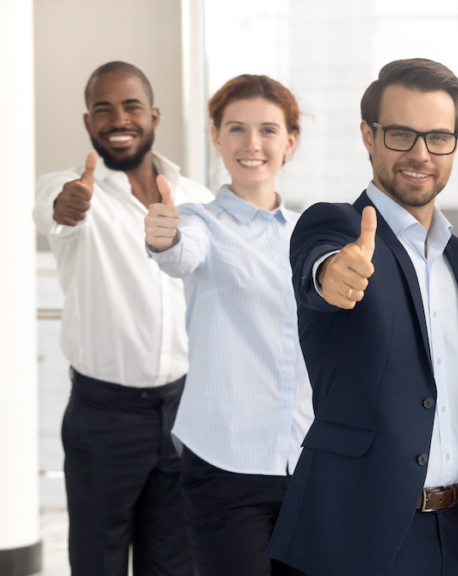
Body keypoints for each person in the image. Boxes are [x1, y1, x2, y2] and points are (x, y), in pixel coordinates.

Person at [267, 58, 458, 576]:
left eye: (438, 137)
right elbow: (318, 266)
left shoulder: (455, 254)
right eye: (400, 134)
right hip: (358, 535)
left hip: (457, 531)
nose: (420, 154)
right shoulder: (337, 225)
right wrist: (333, 275)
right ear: (368, 136)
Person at [32, 61, 212, 576]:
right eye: (103, 109)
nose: (118, 118)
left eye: (131, 105)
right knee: (98, 563)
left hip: (184, 413)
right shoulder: (72, 192)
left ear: (153, 115)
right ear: (88, 122)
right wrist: (65, 207)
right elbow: (53, 210)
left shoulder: (195, 199)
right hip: (103, 417)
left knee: (175, 565)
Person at [143, 74, 314, 575]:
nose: (252, 144)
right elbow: (178, 254)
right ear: (215, 136)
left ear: (290, 141)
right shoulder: (200, 222)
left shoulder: (312, 232)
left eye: (267, 130)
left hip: (306, 463)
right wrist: (161, 239)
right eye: (236, 129)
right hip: (224, 465)